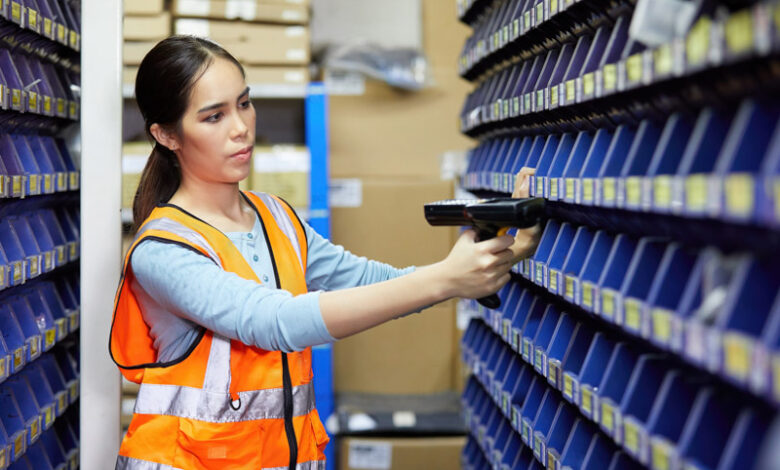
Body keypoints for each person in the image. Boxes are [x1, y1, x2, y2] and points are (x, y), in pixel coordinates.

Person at [109, 35, 539, 470]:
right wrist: (447, 278)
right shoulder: (162, 250)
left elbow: (369, 282)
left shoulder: (275, 216)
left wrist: (495, 254)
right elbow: (273, 321)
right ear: (166, 135)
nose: (240, 127)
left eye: (244, 103)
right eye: (214, 116)